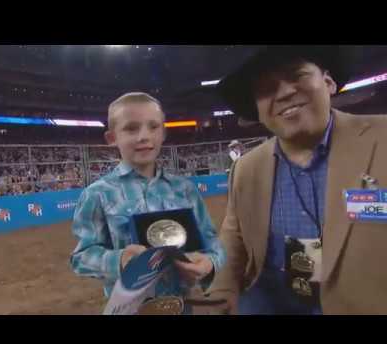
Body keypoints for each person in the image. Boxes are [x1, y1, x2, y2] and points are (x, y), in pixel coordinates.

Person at [209, 45, 387, 315]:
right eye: (267, 88)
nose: (284, 92)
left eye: (297, 76)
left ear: (328, 82)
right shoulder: (246, 168)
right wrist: (222, 290)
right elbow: (234, 237)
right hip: (274, 300)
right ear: (257, 110)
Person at [70, 92, 226, 311]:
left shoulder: (185, 190)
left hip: (183, 306)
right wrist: (120, 259)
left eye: (153, 127)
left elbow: (214, 246)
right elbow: (81, 258)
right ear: (111, 138)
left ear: (163, 133)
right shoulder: (97, 194)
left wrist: (209, 264)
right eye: (131, 128)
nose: (144, 136)